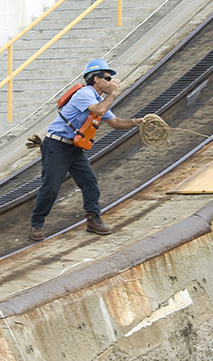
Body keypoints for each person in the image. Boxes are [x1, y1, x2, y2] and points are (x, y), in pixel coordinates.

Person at [29, 59, 144, 241]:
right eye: (108, 77)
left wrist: (136, 123)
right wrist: (113, 93)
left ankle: (93, 219)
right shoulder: (85, 94)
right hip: (57, 145)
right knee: (51, 187)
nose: (111, 81)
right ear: (96, 79)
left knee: (89, 181)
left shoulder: (99, 99)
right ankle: (37, 224)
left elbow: (115, 122)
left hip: (74, 147)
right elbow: (99, 111)